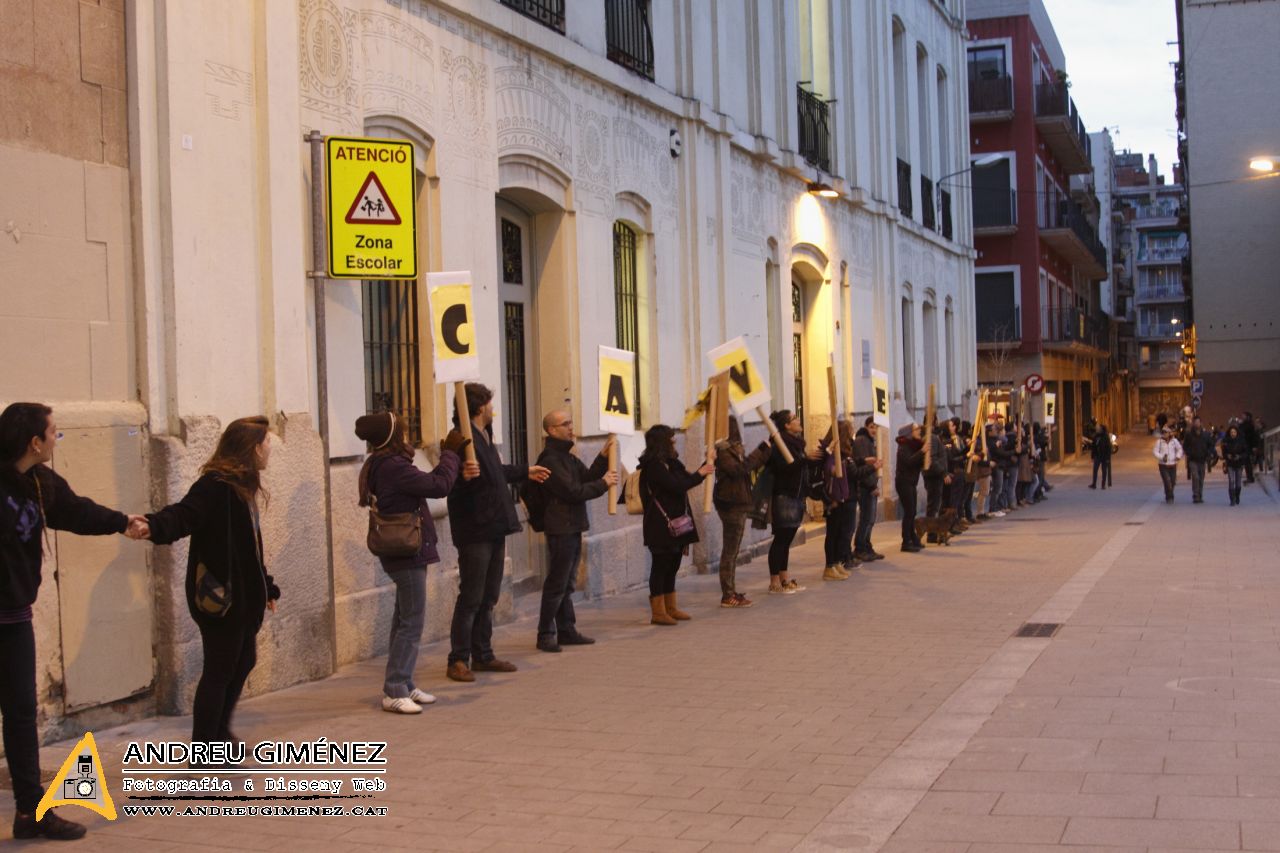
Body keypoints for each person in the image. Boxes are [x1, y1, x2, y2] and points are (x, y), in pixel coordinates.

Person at [1, 403, 145, 841]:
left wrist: (123, 523)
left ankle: (30, 813)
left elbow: (76, 511)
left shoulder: (39, 484)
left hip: (13, 619)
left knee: (22, 715)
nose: (54, 440)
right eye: (53, 434)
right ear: (34, 442)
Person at [146, 417, 282, 762]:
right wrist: (150, 525)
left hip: (244, 600)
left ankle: (218, 735)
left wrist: (266, 587)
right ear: (253, 448)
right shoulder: (215, 486)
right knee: (220, 670)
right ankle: (204, 748)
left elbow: (250, 546)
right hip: (222, 600)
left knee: (243, 660)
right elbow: (182, 516)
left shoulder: (243, 485)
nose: (270, 451)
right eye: (267, 444)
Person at [355, 412, 464, 713]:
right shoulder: (392, 467)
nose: (407, 436)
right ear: (392, 437)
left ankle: (404, 683)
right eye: (402, 432)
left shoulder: (384, 463)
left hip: (404, 550)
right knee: (411, 622)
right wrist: (451, 454)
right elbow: (439, 485)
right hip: (406, 551)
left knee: (404, 618)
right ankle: (394, 689)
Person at [445, 384, 551, 663]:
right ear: (480, 408)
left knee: (489, 595)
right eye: (490, 404)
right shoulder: (459, 440)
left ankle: (483, 654)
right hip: (475, 528)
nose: (494, 409)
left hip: (494, 524)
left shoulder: (484, 436)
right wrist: (462, 477)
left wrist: (525, 471)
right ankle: (458, 658)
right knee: (471, 596)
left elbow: (495, 473)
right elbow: (447, 483)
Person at [534, 410, 617, 651]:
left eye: (571, 421)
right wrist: (604, 484)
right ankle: (545, 634)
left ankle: (566, 630)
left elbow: (586, 477)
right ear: (551, 430)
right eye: (565, 423)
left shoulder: (567, 457)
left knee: (567, 582)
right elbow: (572, 491)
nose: (571, 427)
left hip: (571, 525)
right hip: (560, 528)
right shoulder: (550, 459)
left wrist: (602, 458)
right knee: (557, 583)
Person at [637, 425, 712, 624]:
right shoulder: (653, 466)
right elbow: (676, 486)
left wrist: (707, 464)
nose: (674, 441)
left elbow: (687, 479)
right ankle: (658, 612)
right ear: (662, 442)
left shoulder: (671, 462)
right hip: (660, 524)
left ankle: (671, 607)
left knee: (673, 565)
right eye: (671, 438)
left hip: (678, 523)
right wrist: (700, 473)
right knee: (660, 566)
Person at [713, 417, 771, 606]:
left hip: (738, 502)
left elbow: (746, 467)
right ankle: (727, 594)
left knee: (733, 550)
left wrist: (763, 454)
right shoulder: (722, 452)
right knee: (730, 551)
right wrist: (760, 451)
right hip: (731, 504)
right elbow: (739, 469)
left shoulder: (732, 449)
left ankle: (731, 591)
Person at [764, 410, 814, 592]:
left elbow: (799, 466)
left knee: (787, 539)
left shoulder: (796, 443)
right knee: (781, 539)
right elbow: (786, 468)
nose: (798, 420)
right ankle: (774, 581)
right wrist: (806, 460)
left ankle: (785, 579)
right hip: (784, 495)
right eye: (794, 418)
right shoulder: (779, 443)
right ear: (786, 425)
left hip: (796, 495)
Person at [820, 420, 856, 580]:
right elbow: (827, 468)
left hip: (841, 495)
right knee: (832, 532)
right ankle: (829, 566)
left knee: (840, 531)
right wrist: (833, 470)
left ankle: (835, 563)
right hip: (832, 496)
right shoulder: (831, 450)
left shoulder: (843, 451)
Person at [850, 416, 884, 562]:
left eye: (876, 427)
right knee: (866, 518)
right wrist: (872, 486)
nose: (874, 430)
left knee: (870, 519)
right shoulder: (862, 441)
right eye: (871, 427)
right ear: (866, 427)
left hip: (870, 486)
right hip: (865, 487)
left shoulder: (870, 441)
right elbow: (863, 468)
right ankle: (860, 548)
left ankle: (867, 545)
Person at [895, 422, 926, 552]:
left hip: (911, 482)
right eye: (916, 429)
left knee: (912, 511)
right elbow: (909, 462)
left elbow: (917, 462)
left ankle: (913, 538)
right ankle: (906, 541)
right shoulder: (904, 447)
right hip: (904, 482)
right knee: (909, 512)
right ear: (909, 433)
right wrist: (922, 452)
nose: (919, 431)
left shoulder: (914, 446)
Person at [1181, 417, 1214, 504]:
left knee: (1201, 478)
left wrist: (1208, 453)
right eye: (1195, 422)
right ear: (1193, 423)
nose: (1197, 424)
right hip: (1193, 460)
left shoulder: (1206, 434)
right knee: (1195, 477)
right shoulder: (1189, 434)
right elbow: (1185, 446)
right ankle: (1195, 495)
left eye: (1198, 422)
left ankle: (1200, 494)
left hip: (1202, 460)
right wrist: (1189, 453)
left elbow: (1211, 445)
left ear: (1201, 423)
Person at [1220, 424, 1249, 506]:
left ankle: (1237, 496)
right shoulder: (1226, 441)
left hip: (1239, 463)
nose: (1233, 433)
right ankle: (1232, 499)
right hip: (1230, 463)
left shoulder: (1241, 441)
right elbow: (1224, 453)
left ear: (1237, 433)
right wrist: (1227, 456)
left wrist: (1239, 456)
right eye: (1231, 432)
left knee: (1238, 482)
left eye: (1234, 432)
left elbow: (1245, 452)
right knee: (1231, 481)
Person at [1153, 426, 1184, 503]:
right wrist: (1161, 457)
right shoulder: (1159, 442)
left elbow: (1180, 449)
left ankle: (1168, 492)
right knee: (1167, 481)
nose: (1164, 434)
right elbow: (1155, 451)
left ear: (1169, 433)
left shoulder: (1174, 441)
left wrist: (1178, 456)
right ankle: (1170, 497)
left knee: (1172, 482)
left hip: (1173, 464)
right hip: (1163, 465)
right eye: (1163, 432)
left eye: (1166, 432)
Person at [1089, 423, 1112, 490]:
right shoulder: (1096, 436)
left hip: (1104, 457)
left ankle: (1103, 485)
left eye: (1098, 428)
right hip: (1097, 456)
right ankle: (1094, 484)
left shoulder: (1105, 437)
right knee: (1095, 469)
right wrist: (1092, 456)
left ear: (1102, 429)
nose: (1097, 429)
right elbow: (1093, 447)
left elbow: (1108, 448)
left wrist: (1108, 458)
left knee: (1104, 471)